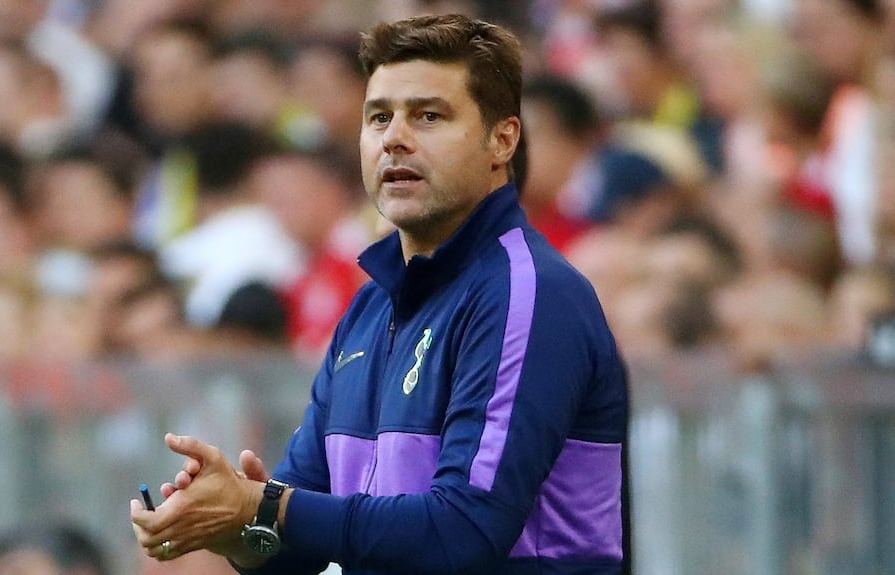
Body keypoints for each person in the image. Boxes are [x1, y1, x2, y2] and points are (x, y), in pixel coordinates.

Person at [130, 13, 630, 575]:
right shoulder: (370, 310)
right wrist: (231, 526)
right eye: (379, 118)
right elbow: (297, 544)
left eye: (429, 116)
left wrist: (263, 506)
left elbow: (463, 532)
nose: (395, 137)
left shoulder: (529, 294)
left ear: (502, 139)